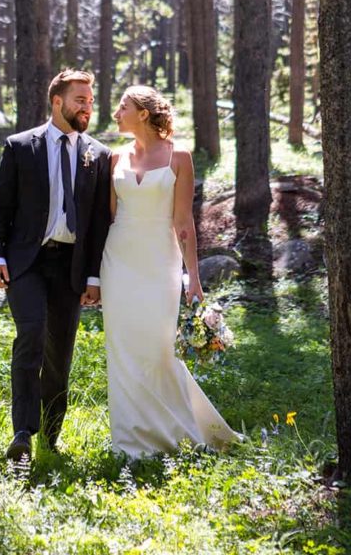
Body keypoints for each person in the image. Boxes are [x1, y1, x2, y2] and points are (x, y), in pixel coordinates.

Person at [100, 85, 242, 458]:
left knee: (159, 350)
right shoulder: (114, 159)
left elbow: (183, 223)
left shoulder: (179, 156)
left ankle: (180, 430)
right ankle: (129, 442)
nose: (116, 113)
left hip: (159, 262)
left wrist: (193, 278)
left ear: (143, 113)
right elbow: (109, 218)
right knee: (122, 349)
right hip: (118, 262)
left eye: (123, 107)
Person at [0, 69, 112, 461]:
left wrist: (94, 275)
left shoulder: (98, 154)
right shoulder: (21, 146)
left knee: (61, 352)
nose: (87, 107)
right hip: (27, 262)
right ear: (57, 102)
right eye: (80, 100)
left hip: (70, 268)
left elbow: (97, 225)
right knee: (32, 335)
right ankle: (22, 431)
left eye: (90, 101)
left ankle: (51, 434)